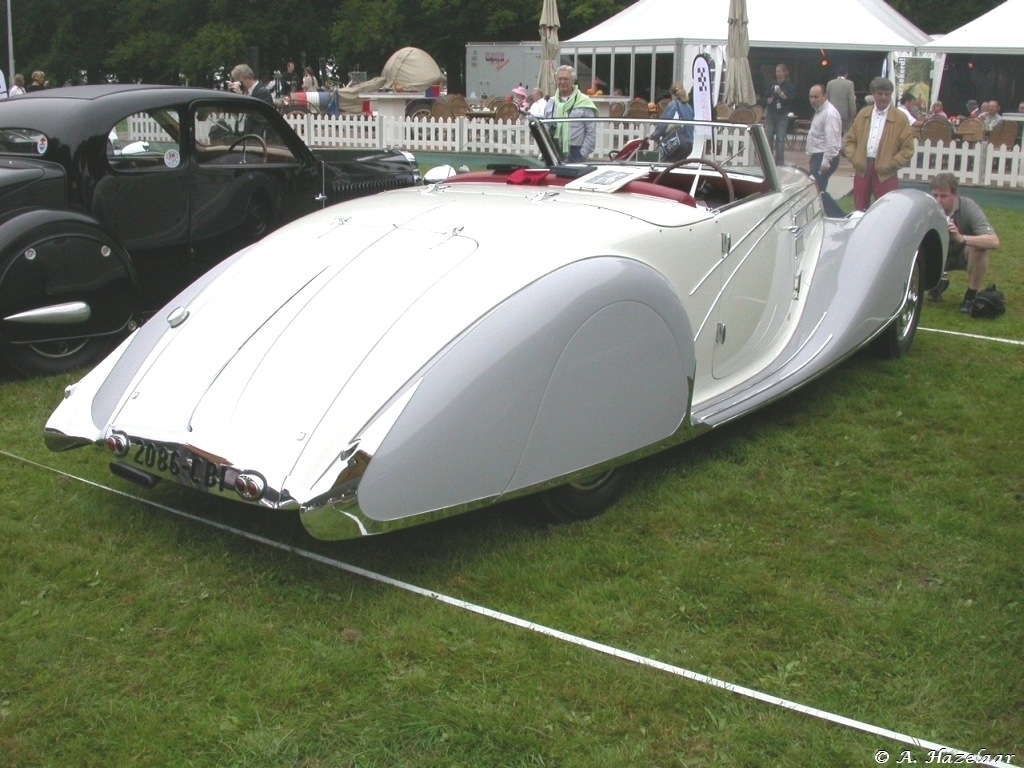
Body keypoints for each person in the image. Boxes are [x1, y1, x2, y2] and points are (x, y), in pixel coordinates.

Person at [927, 172, 1000, 314]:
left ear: (955, 195)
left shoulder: (968, 207)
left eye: (944, 196)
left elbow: (994, 241)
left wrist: (962, 238)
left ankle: (970, 297)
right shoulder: (926, 207)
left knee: (978, 249)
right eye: (935, 195)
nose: (938, 200)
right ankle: (935, 281)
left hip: (959, 254)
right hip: (933, 255)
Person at [843, 76, 915, 212]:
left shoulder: (900, 118)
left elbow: (908, 149)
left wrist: (891, 164)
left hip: (886, 173)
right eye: (879, 94)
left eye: (887, 94)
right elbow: (850, 141)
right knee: (859, 211)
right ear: (873, 94)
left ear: (891, 95)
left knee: (887, 211)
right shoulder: (863, 114)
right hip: (863, 168)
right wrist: (855, 159)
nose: (883, 97)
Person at [542, 65, 598, 162]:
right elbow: (545, 128)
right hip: (554, 150)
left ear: (573, 80)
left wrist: (581, 154)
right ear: (556, 81)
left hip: (576, 152)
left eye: (566, 79)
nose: (562, 82)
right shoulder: (551, 102)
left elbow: (591, 132)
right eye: (560, 79)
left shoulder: (584, 102)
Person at [806, 84, 842, 194]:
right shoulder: (819, 111)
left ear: (825, 96)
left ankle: (835, 212)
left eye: (816, 97)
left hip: (824, 156)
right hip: (817, 155)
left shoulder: (829, 113)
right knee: (818, 190)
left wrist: (826, 161)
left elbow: (832, 140)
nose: (813, 100)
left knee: (816, 190)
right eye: (811, 97)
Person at [648, 82, 694, 162]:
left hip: (677, 143)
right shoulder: (689, 107)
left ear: (672, 94)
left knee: (658, 163)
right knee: (678, 167)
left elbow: (663, 124)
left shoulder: (673, 104)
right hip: (689, 146)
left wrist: (653, 136)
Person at [763, 63, 795, 164]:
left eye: (780, 71)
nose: (778, 74)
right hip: (771, 113)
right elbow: (765, 96)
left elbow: (789, 100)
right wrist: (768, 100)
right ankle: (768, 161)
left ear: (785, 73)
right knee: (768, 137)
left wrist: (780, 93)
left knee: (780, 139)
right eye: (776, 71)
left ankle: (779, 162)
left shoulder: (789, 86)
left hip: (782, 114)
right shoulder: (772, 84)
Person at [826, 68, 856, 133]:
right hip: (845, 115)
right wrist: (853, 114)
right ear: (846, 74)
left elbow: (826, 99)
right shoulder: (850, 84)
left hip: (831, 113)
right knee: (847, 134)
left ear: (837, 74)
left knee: (832, 133)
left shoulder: (830, 83)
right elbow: (851, 100)